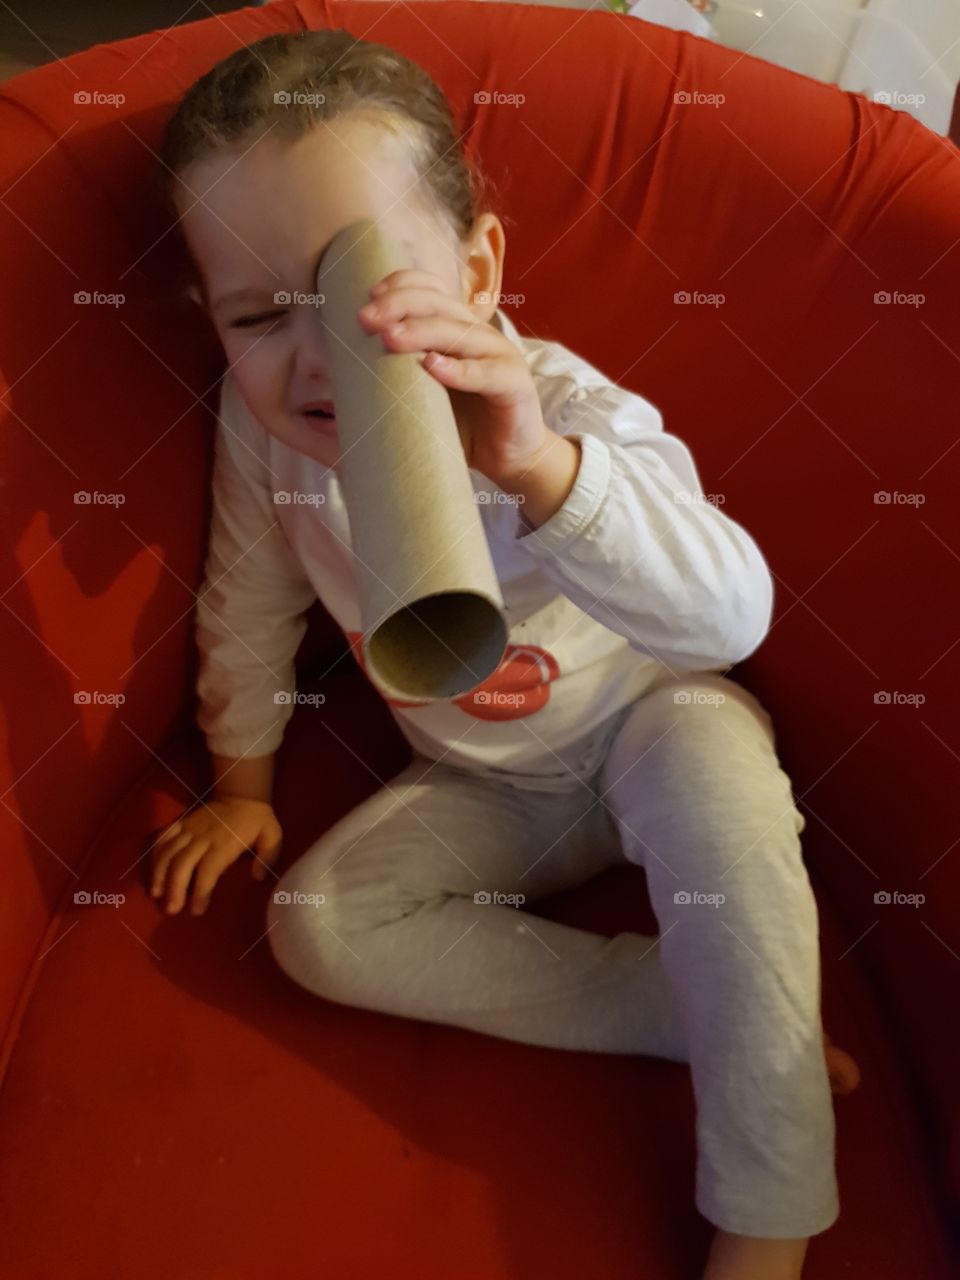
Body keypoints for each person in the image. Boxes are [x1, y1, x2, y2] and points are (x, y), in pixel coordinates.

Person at [148, 29, 860, 1280]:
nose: (319, 360)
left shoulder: (562, 408)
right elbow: (245, 594)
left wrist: (536, 466)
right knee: (319, 922)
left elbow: (729, 617)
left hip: (653, 719)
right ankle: (683, 1006)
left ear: (477, 273)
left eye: (368, 297)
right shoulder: (263, 437)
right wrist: (242, 777)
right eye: (259, 315)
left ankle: (770, 1210)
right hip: (489, 780)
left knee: (729, 810)